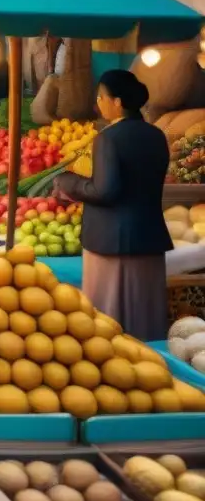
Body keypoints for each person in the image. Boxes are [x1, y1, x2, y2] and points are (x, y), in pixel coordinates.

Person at [53, 70, 172, 342]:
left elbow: (105, 190)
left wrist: (69, 183)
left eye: (101, 97)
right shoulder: (156, 136)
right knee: (145, 318)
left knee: (109, 320)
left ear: (117, 101)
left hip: (110, 242)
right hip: (148, 240)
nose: (98, 103)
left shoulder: (108, 138)